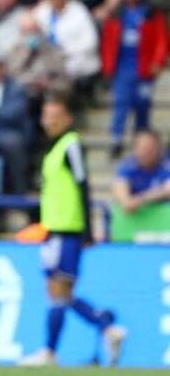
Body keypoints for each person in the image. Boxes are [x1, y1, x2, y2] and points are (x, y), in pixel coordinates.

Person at [20, 97, 127, 367]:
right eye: (46, 115)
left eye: (55, 115)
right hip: (53, 230)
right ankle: (104, 326)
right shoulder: (53, 148)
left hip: (68, 230)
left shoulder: (72, 145)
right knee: (57, 292)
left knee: (59, 291)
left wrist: (88, 230)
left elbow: (83, 185)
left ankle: (52, 350)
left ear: (68, 117)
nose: (49, 121)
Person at [100, 0, 167, 151]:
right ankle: (116, 139)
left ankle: (142, 142)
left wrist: (157, 62)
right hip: (123, 67)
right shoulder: (117, 14)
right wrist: (108, 66)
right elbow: (108, 42)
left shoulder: (151, 13)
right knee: (121, 102)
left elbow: (161, 40)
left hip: (144, 68)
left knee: (142, 104)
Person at [113, 130, 170, 214]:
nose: (145, 152)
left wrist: (141, 199)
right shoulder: (127, 166)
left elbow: (168, 190)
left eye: (150, 148)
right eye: (142, 148)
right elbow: (120, 188)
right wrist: (126, 201)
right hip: (135, 220)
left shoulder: (166, 165)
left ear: (159, 149)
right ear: (134, 149)